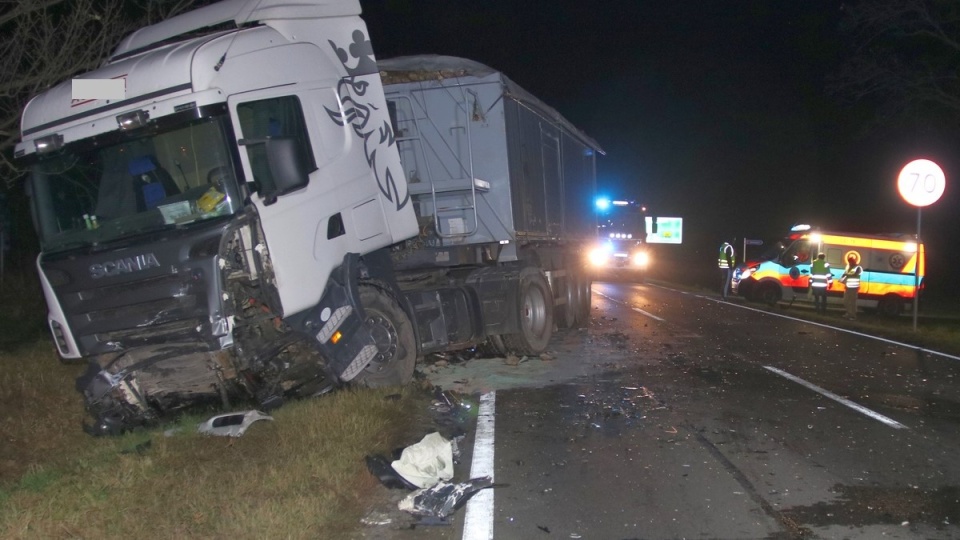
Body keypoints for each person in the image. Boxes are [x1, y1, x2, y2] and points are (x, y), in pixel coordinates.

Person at [839, 254, 862, 320]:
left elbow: (855, 275)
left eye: (851, 261)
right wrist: (842, 279)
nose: (850, 263)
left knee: (853, 302)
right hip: (848, 287)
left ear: (853, 261)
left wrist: (846, 274)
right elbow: (846, 275)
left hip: (854, 288)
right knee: (846, 301)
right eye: (849, 262)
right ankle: (848, 313)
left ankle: (853, 315)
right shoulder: (848, 267)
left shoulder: (858, 268)